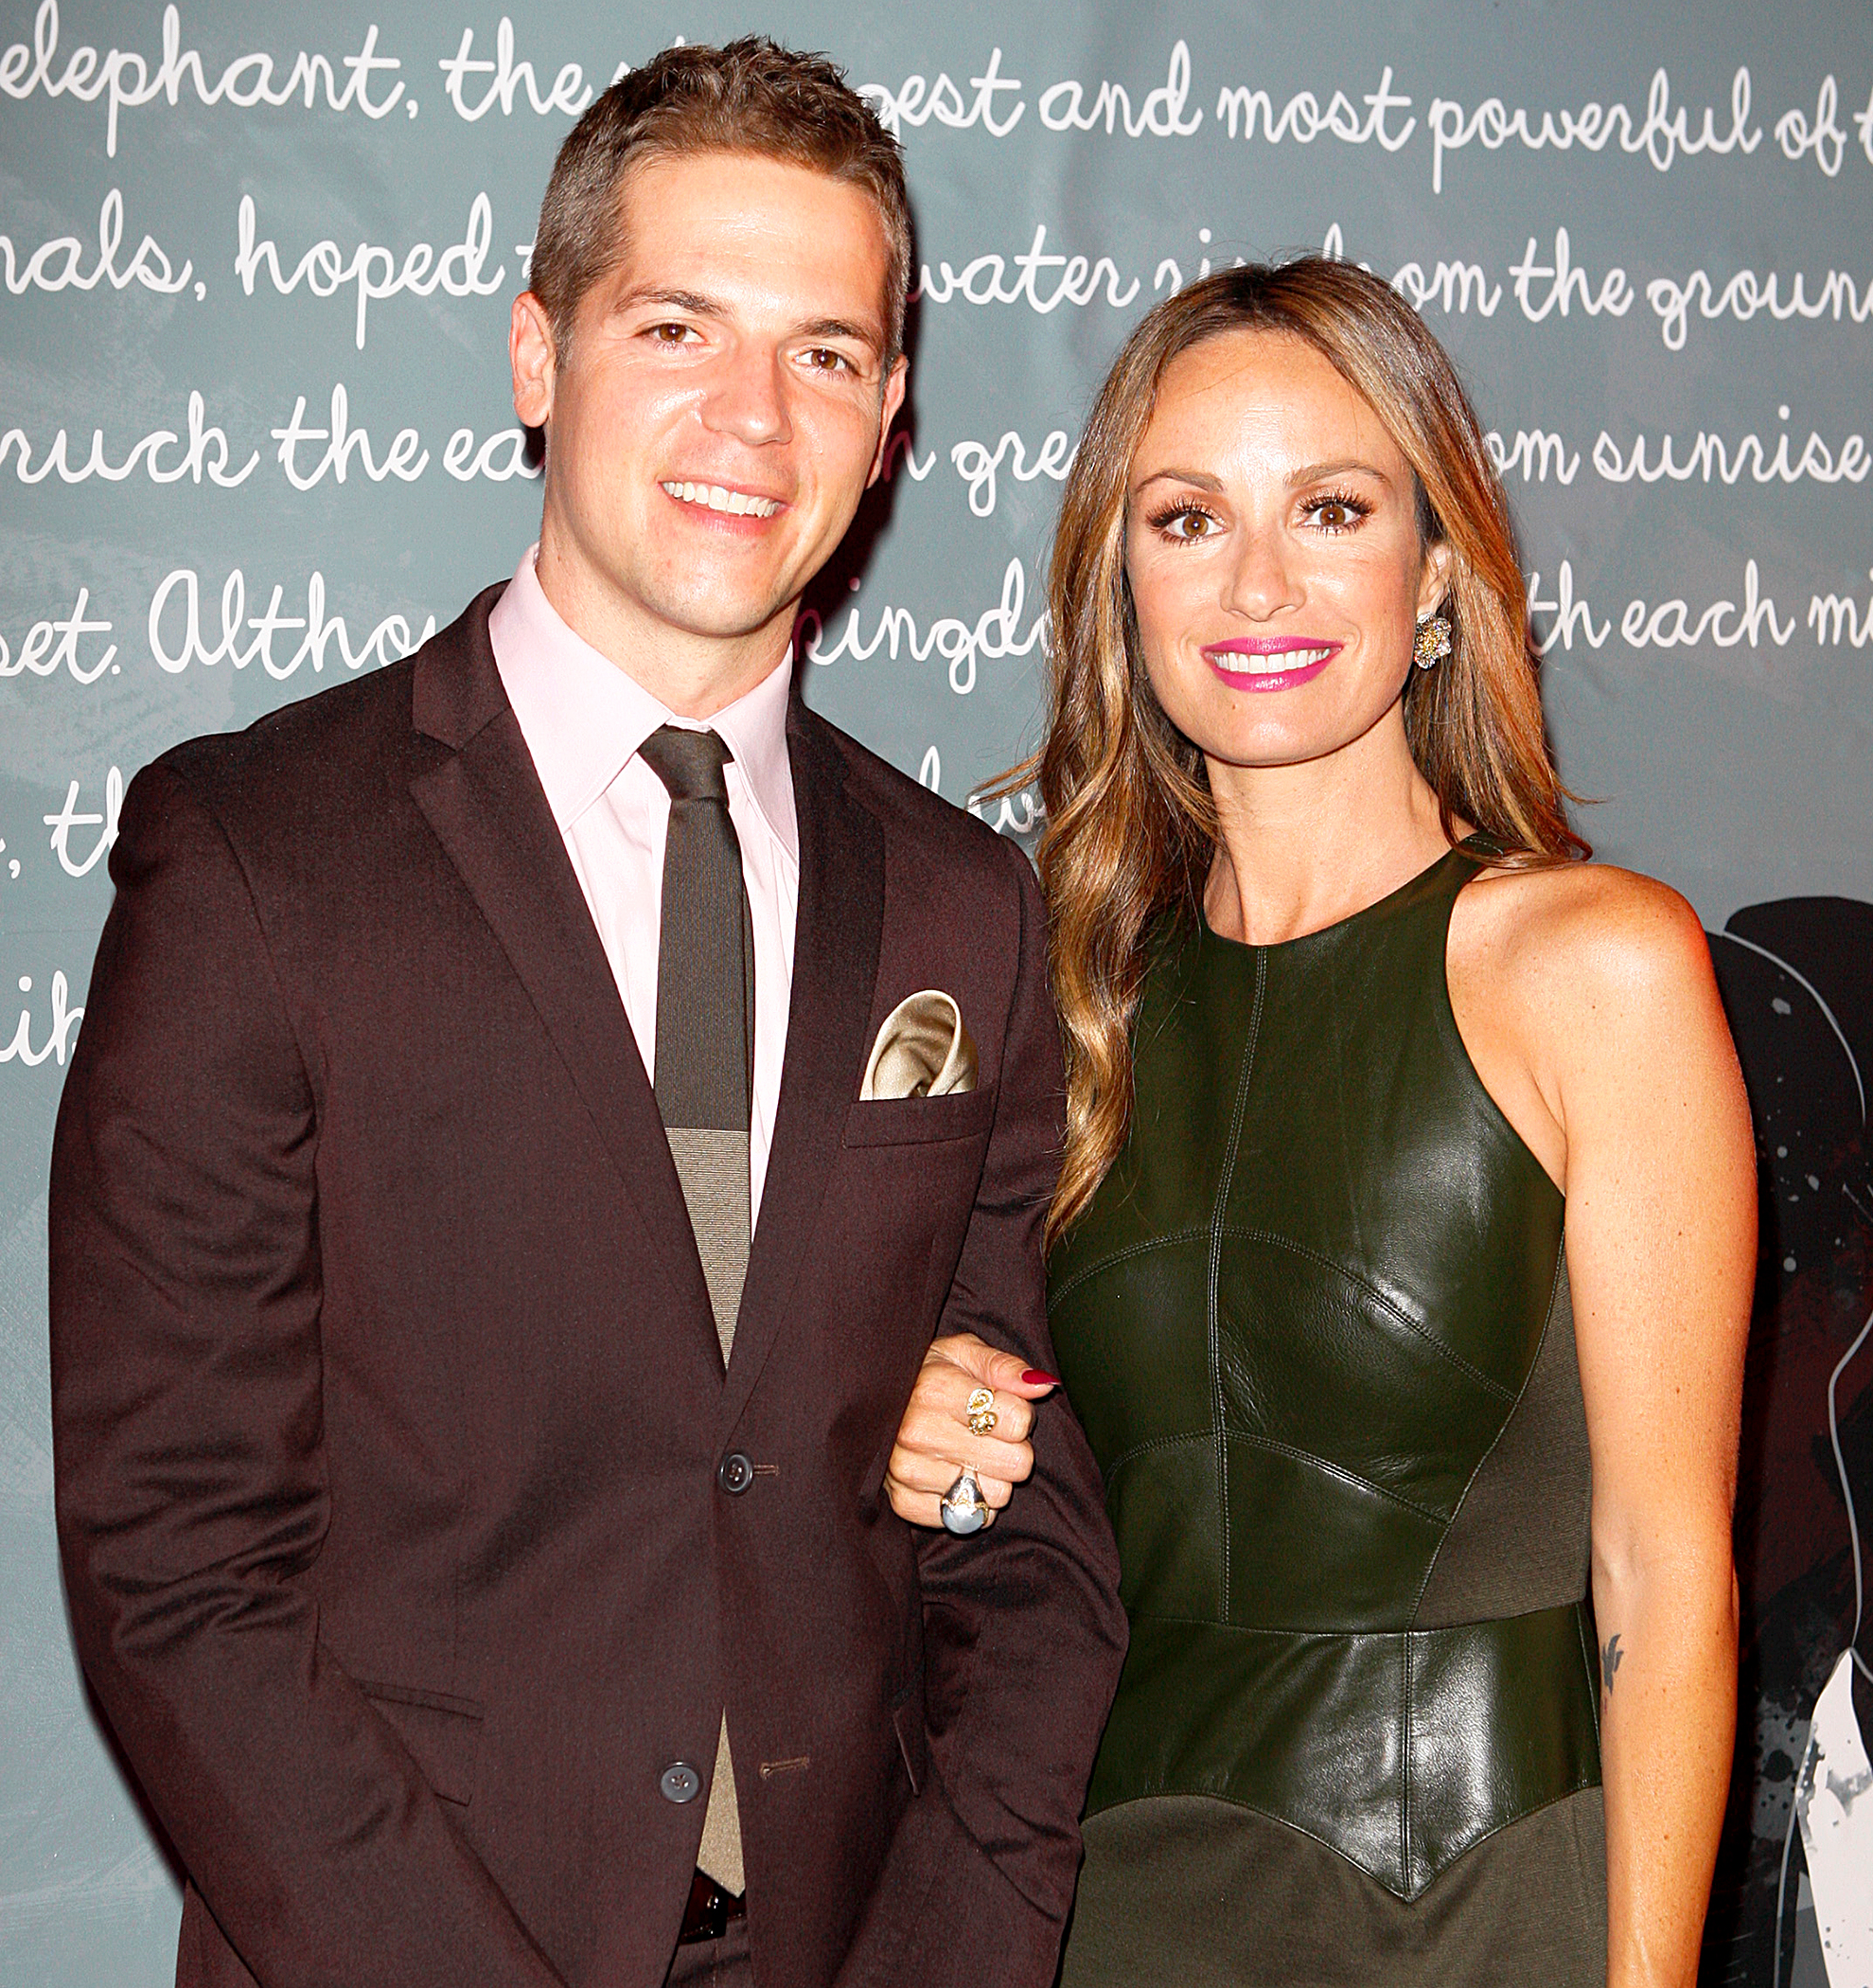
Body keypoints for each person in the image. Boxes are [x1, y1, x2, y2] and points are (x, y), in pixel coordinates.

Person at [49, 40, 1124, 1988]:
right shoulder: (257, 856)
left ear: (889, 419)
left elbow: (1015, 1519)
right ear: (537, 358)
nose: (751, 416)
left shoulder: (964, 904)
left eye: (825, 352)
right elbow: (179, 1566)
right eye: (676, 324)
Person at [884, 258, 1755, 1986]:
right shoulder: (1052, 990)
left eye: (1334, 508)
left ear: (1437, 572)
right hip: (1105, 1905)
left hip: (1487, 1915)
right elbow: (1001, 1503)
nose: (1259, 580)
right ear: (1118, 582)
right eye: (1188, 518)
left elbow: (1669, 1595)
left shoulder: (1593, 966)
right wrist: (931, 1437)